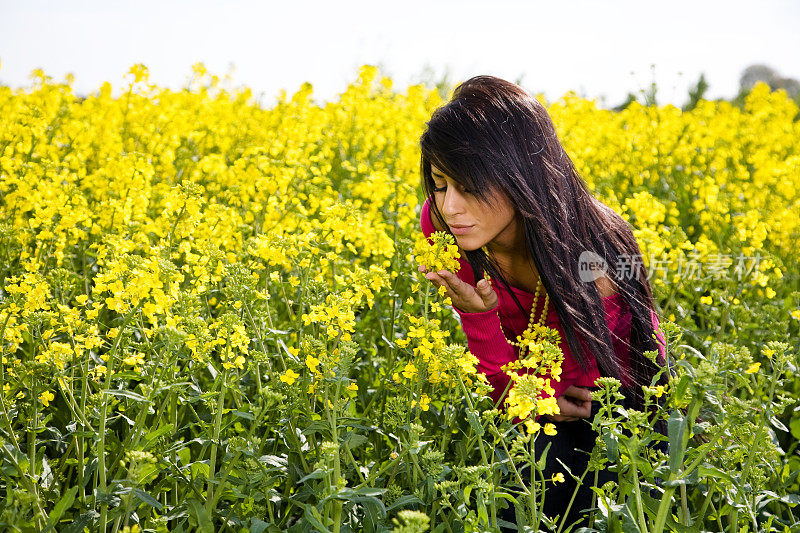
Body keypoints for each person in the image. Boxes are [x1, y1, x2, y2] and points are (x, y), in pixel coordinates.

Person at [415, 75, 669, 531]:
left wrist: (526, 393)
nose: (450, 206)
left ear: (520, 175)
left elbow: (578, 385)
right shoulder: (443, 227)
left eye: (468, 186)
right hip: (527, 391)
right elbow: (511, 396)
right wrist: (479, 316)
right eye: (439, 183)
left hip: (610, 399)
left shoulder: (595, 255)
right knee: (517, 485)